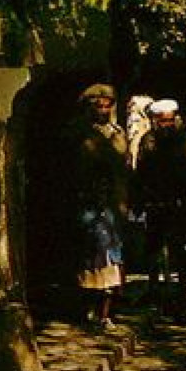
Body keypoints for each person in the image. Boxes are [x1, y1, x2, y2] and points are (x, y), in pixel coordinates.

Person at [134, 98, 186, 313]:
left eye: (169, 120)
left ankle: (185, 292)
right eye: (162, 120)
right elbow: (141, 169)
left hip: (182, 200)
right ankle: (155, 291)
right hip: (156, 199)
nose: (166, 124)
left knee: (183, 250)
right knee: (154, 248)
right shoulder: (148, 140)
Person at [70, 83, 128, 328]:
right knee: (88, 258)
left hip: (112, 204)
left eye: (107, 106)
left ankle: (107, 312)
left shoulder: (117, 134)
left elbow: (122, 168)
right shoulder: (79, 134)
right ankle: (88, 310)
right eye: (99, 106)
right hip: (87, 202)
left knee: (112, 258)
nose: (103, 110)